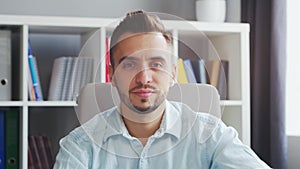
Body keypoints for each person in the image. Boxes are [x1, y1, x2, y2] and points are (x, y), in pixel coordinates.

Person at [54, 10, 271, 169]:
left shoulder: (211, 136)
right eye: (129, 65)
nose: (144, 78)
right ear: (112, 75)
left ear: (173, 74)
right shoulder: (80, 146)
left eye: (156, 64)